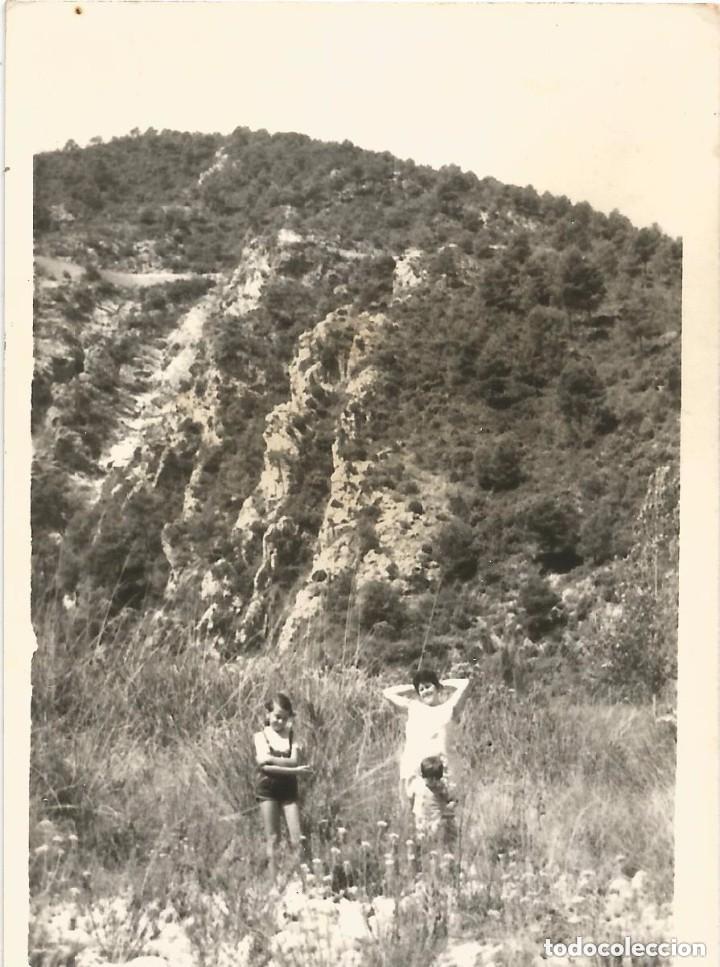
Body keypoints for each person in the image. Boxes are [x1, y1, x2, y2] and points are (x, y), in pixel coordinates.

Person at [382, 669, 470, 802]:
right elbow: (387, 693)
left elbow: (465, 684)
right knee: (418, 815)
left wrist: (441, 683)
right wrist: (413, 687)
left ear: (437, 688)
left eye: (428, 686)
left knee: (446, 815)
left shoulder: (450, 707)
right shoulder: (413, 707)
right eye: (421, 689)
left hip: (445, 772)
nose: (425, 691)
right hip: (415, 774)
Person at [254, 693, 312, 876]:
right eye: (277, 717)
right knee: (273, 838)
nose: (280, 721)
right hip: (268, 789)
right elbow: (266, 769)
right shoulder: (260, 736)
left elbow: (294, 760)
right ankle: (274, 881)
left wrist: (271, 759)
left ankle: (302, 879)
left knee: (297, 838)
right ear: (268, 715)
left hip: (288, 789)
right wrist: (294, 771)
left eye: (284, 718)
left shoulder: (292, 736)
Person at [408, 755, 458, 845]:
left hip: (435, 820)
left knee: (437, 837)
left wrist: (449, 806)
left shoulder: (441, 788)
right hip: (421, 818)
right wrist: (413, 809)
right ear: (424, 776)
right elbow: (410, 797)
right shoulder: (417, 784)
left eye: (436, 779)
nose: (433, 781)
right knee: (420, 839)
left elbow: (452, 799)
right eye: (430, 779)